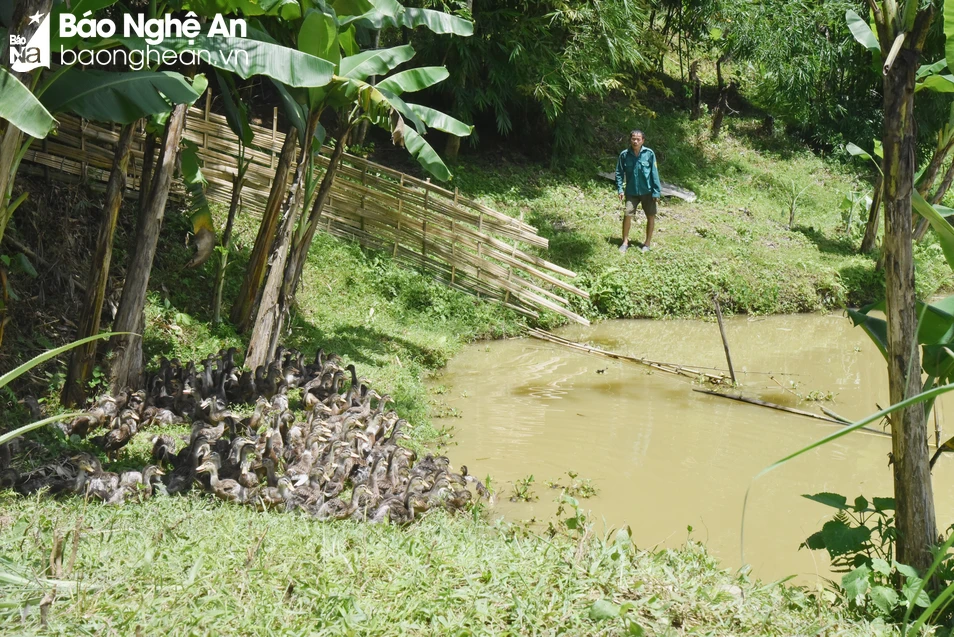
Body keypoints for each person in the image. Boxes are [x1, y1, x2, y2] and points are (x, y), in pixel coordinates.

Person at [615, 130, 661, 254]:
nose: (635, 141)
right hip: (631, 192)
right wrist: (620, 188)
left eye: (638, 139)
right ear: (630, 140)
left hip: (648, 191)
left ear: (643, 141)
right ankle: (625, 242)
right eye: (633, 139)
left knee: (650, 216)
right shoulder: (624, 155)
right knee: (627, 214)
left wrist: (656, 192)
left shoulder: (649, 154)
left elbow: (654, 173)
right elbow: (619, 172)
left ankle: (647, 243)